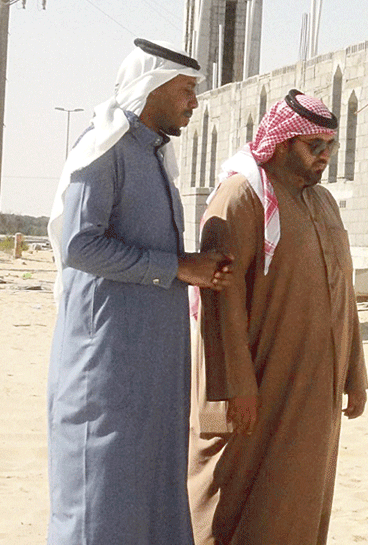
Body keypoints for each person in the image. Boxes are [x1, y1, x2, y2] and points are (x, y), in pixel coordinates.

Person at [46, 38, 233, 545]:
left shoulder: (152, 154)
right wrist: (176, 266)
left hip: (152, 364)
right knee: (99, 496)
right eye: (186, 90)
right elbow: (81, 245)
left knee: (150, 490)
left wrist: (190, 269)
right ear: (152, 88)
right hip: (104, 363)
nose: (194, 102)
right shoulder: (105, 149)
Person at [189, 89, 368, 545]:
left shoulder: (323, 202)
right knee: (230, 504)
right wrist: (236, 387)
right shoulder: (241, 197)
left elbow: (343, 293)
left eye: (331, 147)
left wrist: (354, 374)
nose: (325, 157)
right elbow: (219, 301)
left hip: (314, 395)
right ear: (284, 143)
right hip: (256, 392)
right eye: (315, 146)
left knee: (299, 503)